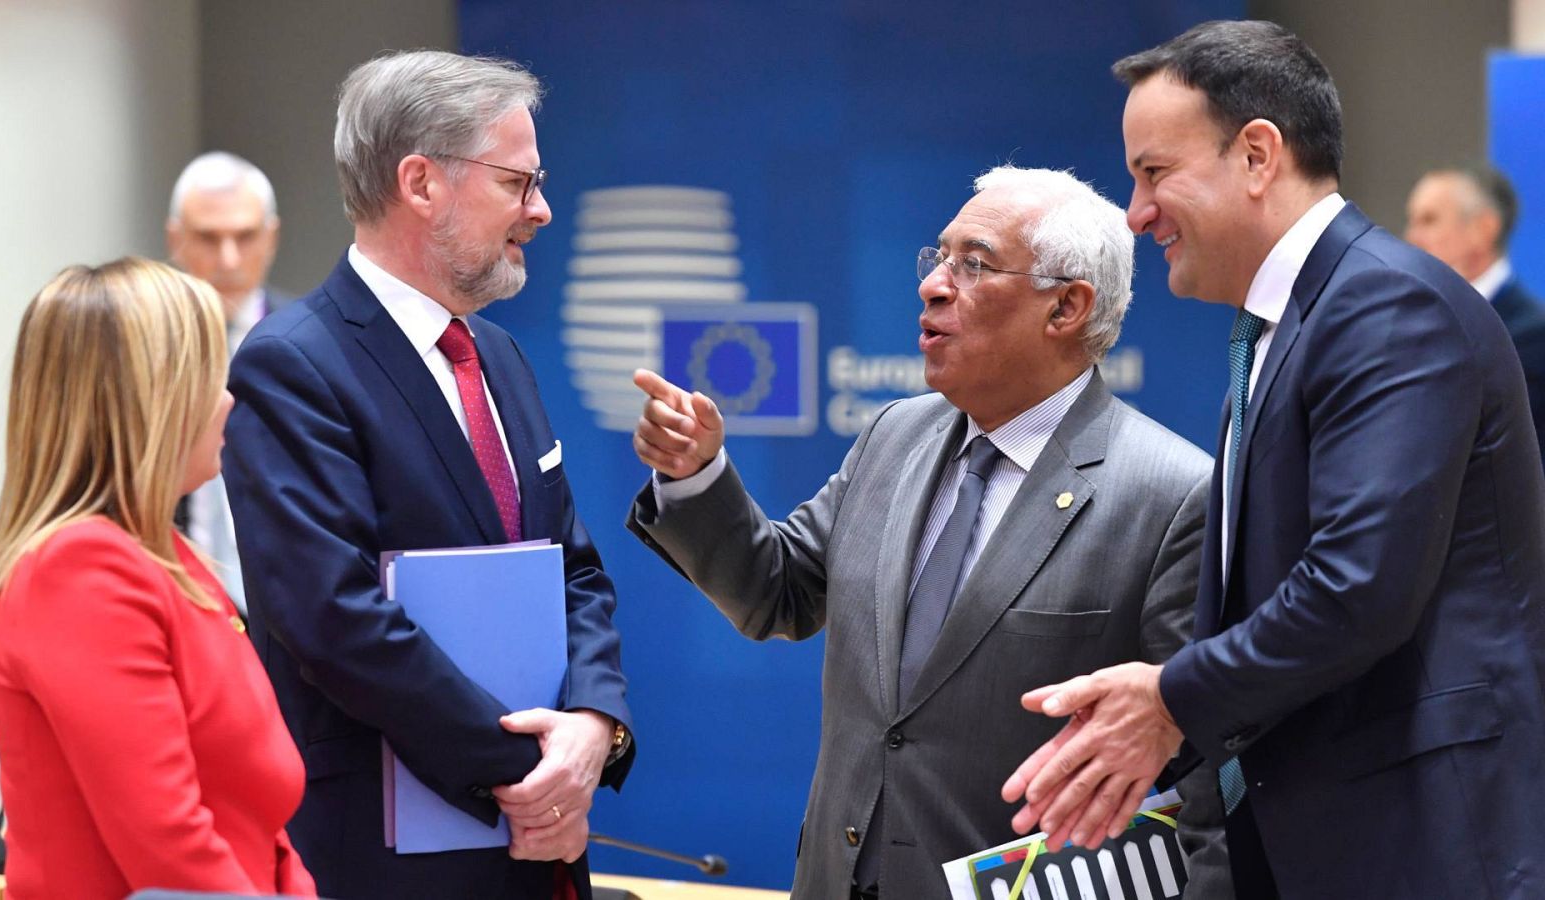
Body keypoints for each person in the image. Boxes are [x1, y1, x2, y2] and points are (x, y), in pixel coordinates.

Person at [1003, 20, 1545, 899]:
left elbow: (1357, 589)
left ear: (1258, 154)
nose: (1136, 215)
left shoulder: (1385, 310)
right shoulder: (1283, 329)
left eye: (1154, 173)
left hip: (1418, 847)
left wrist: (1173, 697)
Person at [627, 165, 1227, 899]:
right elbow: (776, 593)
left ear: (1066, 308)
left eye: (973, 265)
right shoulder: (892, 435)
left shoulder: (1173, 493)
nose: (933, 285)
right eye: (938, 258)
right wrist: (696, 475)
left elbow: (1202, 776)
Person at [220, 50, 633, 900]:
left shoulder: (502, 357)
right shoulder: (293, 366)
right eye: (520, 183)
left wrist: (595, 726)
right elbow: (333, 620)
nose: (542, 210)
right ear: (420, 183)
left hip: (539, 846)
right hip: (388, 860)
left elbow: (574, 571)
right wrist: (525, 771)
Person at [0, 258, 315, 899]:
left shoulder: (168, 556)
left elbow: (262, 832)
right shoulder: (81, 573)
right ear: (150, 403)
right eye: (210, 377)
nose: (229, 401)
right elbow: (170, 848)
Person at [166, 150, 290, 614]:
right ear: (175, 238)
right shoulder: (147, 350)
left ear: (271, 237)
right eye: (208, 237)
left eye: (244, 235)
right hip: (177, 596)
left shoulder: (313, 348)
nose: (229, 258)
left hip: (283, 606)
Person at [1406, 163, 1545, 455]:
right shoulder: (1406, 324)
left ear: (1484, 228)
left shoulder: (1534, 336)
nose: (1412, 238)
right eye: (1412, 221)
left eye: (1429, 220)